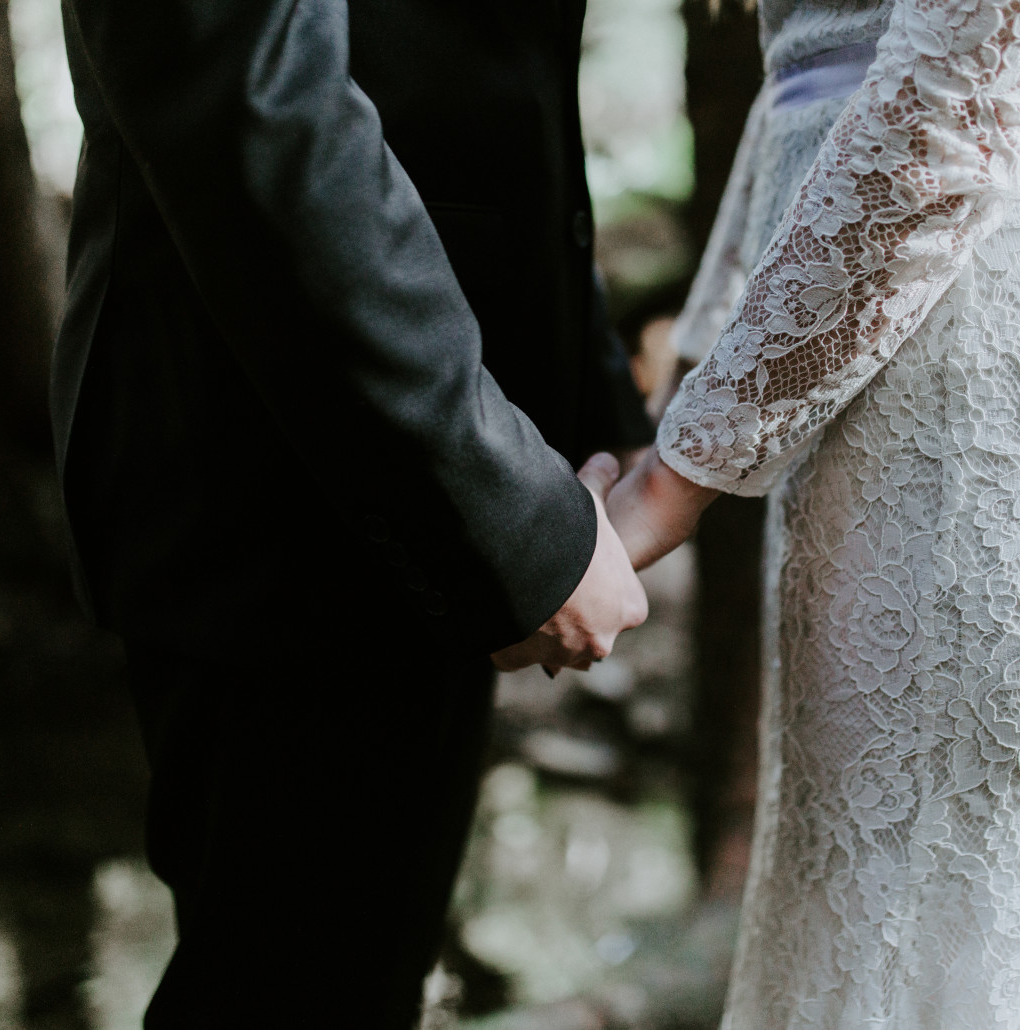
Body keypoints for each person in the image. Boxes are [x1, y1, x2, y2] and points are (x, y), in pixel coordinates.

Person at [606, 0, 1020, 1025]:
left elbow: (952, 96)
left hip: (971, 390)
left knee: (920, 947)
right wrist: (691, 374)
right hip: (930, 354)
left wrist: (676, 475)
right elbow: (805, 80)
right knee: (907, 934)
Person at [49, 0, 652, 1025]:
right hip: (276, 474)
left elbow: (487, 78)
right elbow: (248, 101)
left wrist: (588, 411)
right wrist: (503, 514)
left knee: (362, 975)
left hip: (434, 444)